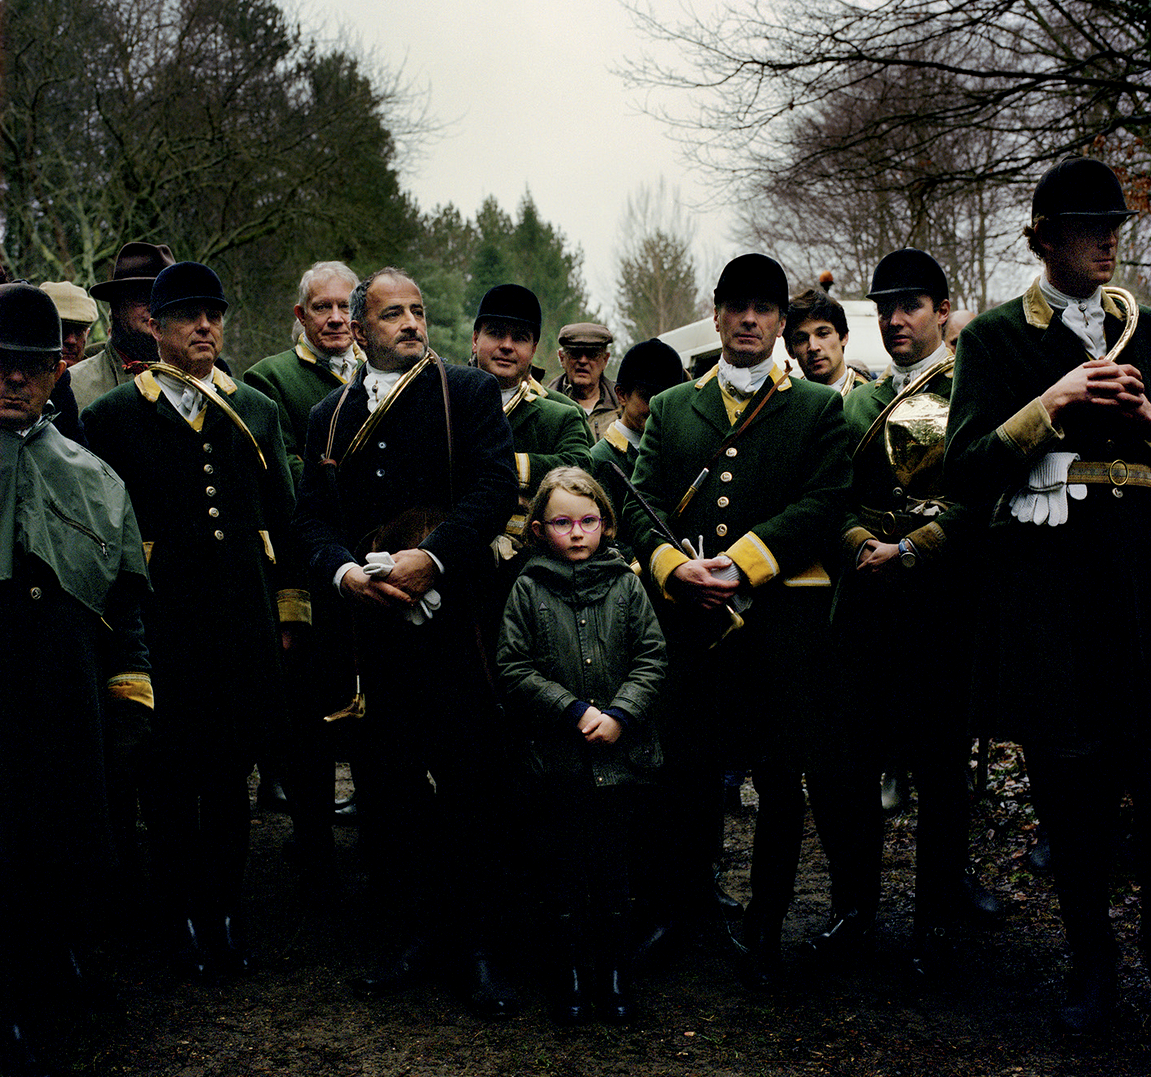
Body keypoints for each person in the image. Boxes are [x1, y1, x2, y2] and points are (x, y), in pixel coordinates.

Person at [945, 155, 1150, 1034]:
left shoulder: (1143, 329)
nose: (1107, 240)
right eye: (1086, 227)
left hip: (1138, 595)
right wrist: (1051, 402)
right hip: (1051, 606)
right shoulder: (995, 339)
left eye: (1114, 226)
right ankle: (1090, 967)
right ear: (1043, 239)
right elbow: (961, 471)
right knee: (1070, 792)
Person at [292, 266, 522, 1018]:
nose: (413, 324)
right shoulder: (328, 415)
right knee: (388, 787)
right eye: (393, 314)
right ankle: (412, 936)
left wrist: (435, 559)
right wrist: (343, 574)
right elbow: (310, 517)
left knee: (470, 784)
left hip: (460, 628)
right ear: (359, 329)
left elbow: (496, 489)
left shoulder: (468, 392)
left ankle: (478, 947)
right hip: (372, 636)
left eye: (418, 311)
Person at [622, 253, 854, 987]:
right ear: (717, 314)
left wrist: (743, 562)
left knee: (779, 782)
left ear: (781, 323)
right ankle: (684, 910)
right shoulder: (671, 407)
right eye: (736, 307)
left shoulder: (817, 408)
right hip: (691, 626)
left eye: (763, 309)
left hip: (780, 629)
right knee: (686, 775)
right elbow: (639, 505)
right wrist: (672, 567)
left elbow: (825, 503)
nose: (748, 319)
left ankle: (765, 925)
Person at [83, 261, 307, 980]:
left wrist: (288, 614)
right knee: (169, 777)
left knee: (231, 774)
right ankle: (178, 915)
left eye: (214, 314)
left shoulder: (256, 410)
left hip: (242, 625)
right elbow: (103, 533)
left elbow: (284, 521)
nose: (205, 327)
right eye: (187, 316)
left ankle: (224, 913)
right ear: (154, 325)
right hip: (165, 626)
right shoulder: (114, 416)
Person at [830, 248, 998, 975]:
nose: (895, 320)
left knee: (939, 770)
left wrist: (913, 547)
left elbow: (987, 495)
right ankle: (854, 913)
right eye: (884, 309)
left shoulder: (974, 391)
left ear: (941, 310)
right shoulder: (857, 403)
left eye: (911, 306)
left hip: (941, 605)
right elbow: (833, 495)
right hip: (867, 605)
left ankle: (935, 921)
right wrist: (858, 541)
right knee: (854, 764)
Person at [0, 282, 152, 1073]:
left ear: (56, 371)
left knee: (61, 832)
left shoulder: (91, 473)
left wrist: (130, 692)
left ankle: (54, 957)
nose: (14, 378)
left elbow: (125, 605)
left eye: (30, 365)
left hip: (65, 687)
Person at [498, 467, 666, 1024]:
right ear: (539, 529)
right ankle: (568, 975)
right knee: (562, 876)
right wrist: (572, 709)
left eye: (588, 521)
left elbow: (651, 657)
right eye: (562, 523)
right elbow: (513, 667)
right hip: (556, 764)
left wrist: (621, 713)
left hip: (620, 762)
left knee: (615, 876)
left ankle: (614, 975)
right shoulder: (528, 587)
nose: (576, 533)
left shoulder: (626, 584)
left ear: (606, 525)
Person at [244, 261, 365, 839]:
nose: (336, 318)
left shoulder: (386, 373)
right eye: (323, 307)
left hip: (380, 571)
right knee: (310, 719)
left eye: (346, 306)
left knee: (375, 716)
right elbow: (288, 479)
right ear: (301, 314)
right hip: (309, 575)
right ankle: (313, 848)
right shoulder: (271, 379)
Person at [470, 284, 593, 556]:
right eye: (495, 333)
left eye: (520, 338)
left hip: (532, 562)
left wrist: (504, 468)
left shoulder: (562, 414)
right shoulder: (442, 398)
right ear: (475, 339)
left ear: (534, 348)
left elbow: (582, 468)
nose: (507, 346)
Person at [589, 337, 685, 564]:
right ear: (621, 395)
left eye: (668, 398)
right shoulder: (598, 461)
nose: (658, 407)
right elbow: (601, 538)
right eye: (648, 397)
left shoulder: (680, 452)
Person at [70, 241, 176, 409]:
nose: (154, 307)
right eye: (142, 296)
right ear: (117, 307)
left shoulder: (203, 382)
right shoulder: (75, 386)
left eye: (164, 299)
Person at [784, 288, 870, 395]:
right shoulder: (784, 401)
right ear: (790, 350)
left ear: (844, 337)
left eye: (823, 334)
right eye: (802, 339)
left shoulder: (872, 399)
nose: (813, 347)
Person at [546, 322, 620, 440]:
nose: (583, 361)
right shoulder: (546, 404)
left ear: (605, 360)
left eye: (592, 355)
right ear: (562, 358)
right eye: (575, 354)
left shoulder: (622, 405)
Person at [39, 280, 97, 367]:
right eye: (62, 330)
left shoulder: (99, 373)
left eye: (79, 331)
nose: (71, 341)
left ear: (86, 334)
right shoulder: (21, 373)